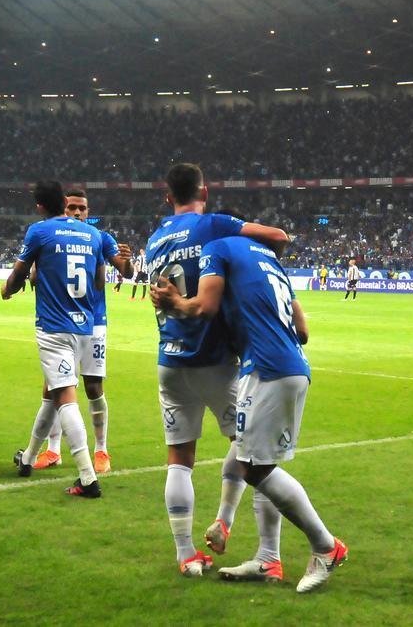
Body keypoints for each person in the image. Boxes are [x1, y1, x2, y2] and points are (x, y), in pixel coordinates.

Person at [153, 235, 348, 593]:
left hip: (267, 370)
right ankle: (268, 559)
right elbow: (302, 331)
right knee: (254, 459)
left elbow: (204, 307)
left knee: (256, 468)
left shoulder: (220, 246)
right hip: (290, 366)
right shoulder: (271, 264)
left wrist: (176, 302)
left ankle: (326, 546)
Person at [144, 163, 289, 577]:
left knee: (180, 458)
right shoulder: (213, 224)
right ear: (204, 191)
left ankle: (186, 554)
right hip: (214, 360)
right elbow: (277, 237)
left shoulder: (155, 241)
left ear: (166, 196)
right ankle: (232, 525)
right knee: (255, 450)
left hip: (169, 360)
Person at [1, 180, 104, 498]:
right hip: (85, 326)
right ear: (62, 202)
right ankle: (28, 458)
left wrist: (8, 289)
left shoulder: (39, 231)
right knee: (51, 391)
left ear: (40, 207)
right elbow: (99, 281)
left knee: (64, 397)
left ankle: (87, 477)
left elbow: (20, 274)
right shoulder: (93, 235)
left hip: (54, 327)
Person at [32, 189, 134, 474]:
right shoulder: (52, 236)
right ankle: (53, 451)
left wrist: (126, 262)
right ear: (64, 208)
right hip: (61, 321)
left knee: (92, 386)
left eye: (83, 209)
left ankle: (101, 450)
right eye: (73, 207)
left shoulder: (100, 238)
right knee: (53, 387)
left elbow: (125, 272)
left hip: (93, 322)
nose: (78, 212)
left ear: (88, 212)